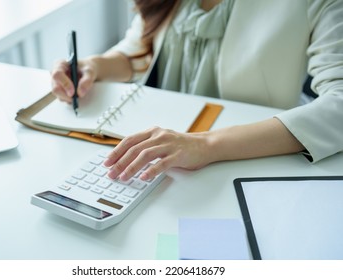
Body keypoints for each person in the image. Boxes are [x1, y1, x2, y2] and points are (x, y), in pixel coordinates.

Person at [51, 0, 343, 182]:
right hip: (162, 157)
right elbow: (139, 52)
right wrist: (93, 66)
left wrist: (206, 145)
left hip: (244, 158)